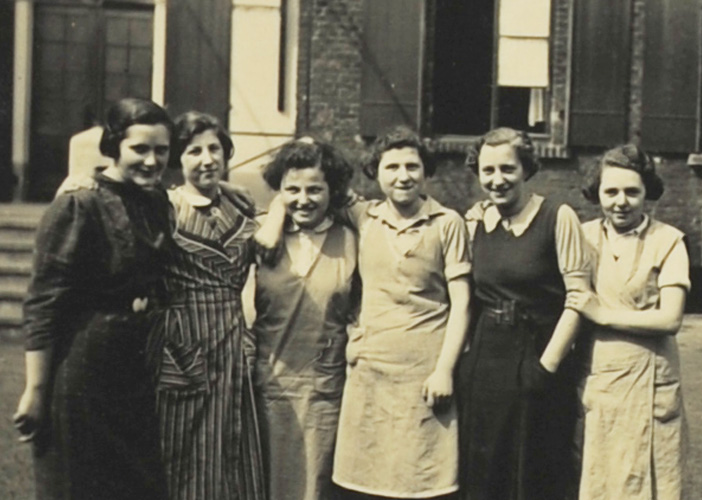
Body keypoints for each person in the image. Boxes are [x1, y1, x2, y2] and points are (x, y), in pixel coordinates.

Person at [12, 97, 173, 499]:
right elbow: (44, 301)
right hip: (84, 369)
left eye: (162, 150)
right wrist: (35, 389)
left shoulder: (157, 201)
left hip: (138, 370)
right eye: (140, 149)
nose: (152, 161)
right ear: (114, 145)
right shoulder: (79, 203)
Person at [329, 126, 472, 499]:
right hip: (371, 370)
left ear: (426, 172)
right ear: (376, 172)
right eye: (392, 167)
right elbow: (309, 174)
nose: (403, 176)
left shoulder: (447, 223)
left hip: (423, 375)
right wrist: (277, 209)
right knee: (368, 481)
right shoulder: (364, 216)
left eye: (413, 166)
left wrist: (444, 369)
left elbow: (462, 303)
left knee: (419, 481)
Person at [457, 127, 592, 500]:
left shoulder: (556, 217)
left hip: (538, 357)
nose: (497, 180)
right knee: (484, 471)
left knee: (536, 471)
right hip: (485, 362)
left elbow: (579, 298)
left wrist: (546, 368)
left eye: (507, 169)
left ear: (526, 169)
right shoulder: (474, 223)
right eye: (488, 171)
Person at [147, 111, 266, 499]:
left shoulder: (242, 209)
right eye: (194, 151)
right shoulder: (163, 208)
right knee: (183, 449)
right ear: (178, 160)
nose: (207, 159)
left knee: (233, 447)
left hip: (233, 342)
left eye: (214, 148)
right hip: (184, 342)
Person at [567, 145, 690, 499]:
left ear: (647, 192)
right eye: (611, 192)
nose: (621, 201)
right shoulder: (583, 237)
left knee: (651, 479)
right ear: (597, 193)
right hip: (598, 376)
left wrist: (603, 314)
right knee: (598, 475)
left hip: (650, 377)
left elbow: (670, 318)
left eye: (632, 192)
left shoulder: (668, 242)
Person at [251, 138, 357, 500]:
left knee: (316, 487)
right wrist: (275, 217)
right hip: (271, 388)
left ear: (333, 190)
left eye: (315, 189)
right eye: (291, 190)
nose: (303, 199)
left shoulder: (351, 238)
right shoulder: (260, 237)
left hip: (325, 392)